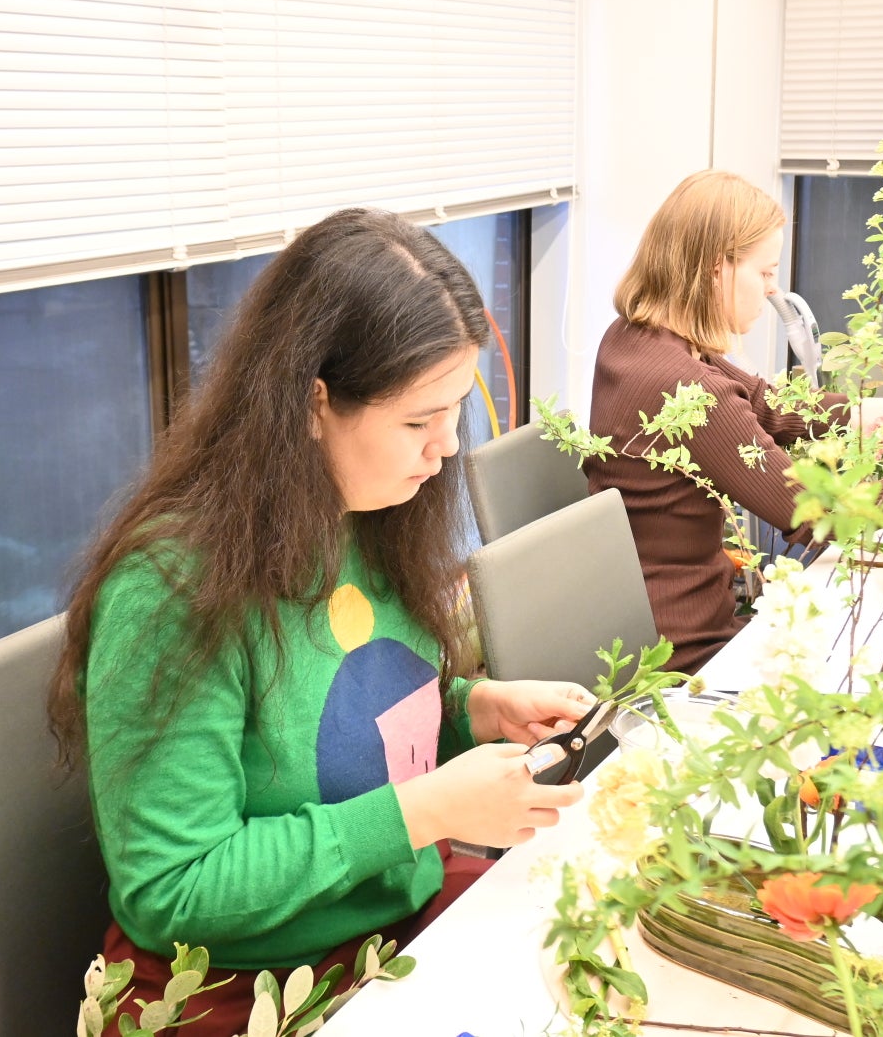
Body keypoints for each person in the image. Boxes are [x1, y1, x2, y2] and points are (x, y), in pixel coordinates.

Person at [49, 209, 591, 1025]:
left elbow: (333, 727)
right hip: (239, 985)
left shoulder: (369, 517)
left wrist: (471, 710)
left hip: (392, 921)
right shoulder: (172, 589)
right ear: (311, 404)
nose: (447, 446)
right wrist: (427, 812)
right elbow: (174, 887)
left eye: (455, 410)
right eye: (418, 420)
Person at [585, 171, 842, 673]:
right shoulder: (684, 386)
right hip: (685, 651)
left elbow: (761, 404)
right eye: (765, 272)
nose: (772, 290)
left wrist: (867, 417)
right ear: (718, 268)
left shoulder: (635, 336)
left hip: (647, 619)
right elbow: (810, 510)